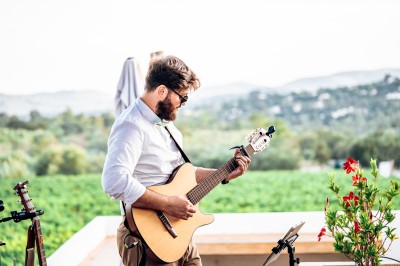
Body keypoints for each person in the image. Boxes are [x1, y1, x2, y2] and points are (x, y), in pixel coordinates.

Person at [102, 55, 251, 266]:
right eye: (182, 97)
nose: (183, 104)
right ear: (161, 91)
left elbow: (182, 175)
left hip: (180, 234)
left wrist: (225, 173)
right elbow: (113, 181)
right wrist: (168, 204)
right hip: (148, 241)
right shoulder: (131, 125)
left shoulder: (167, 126)